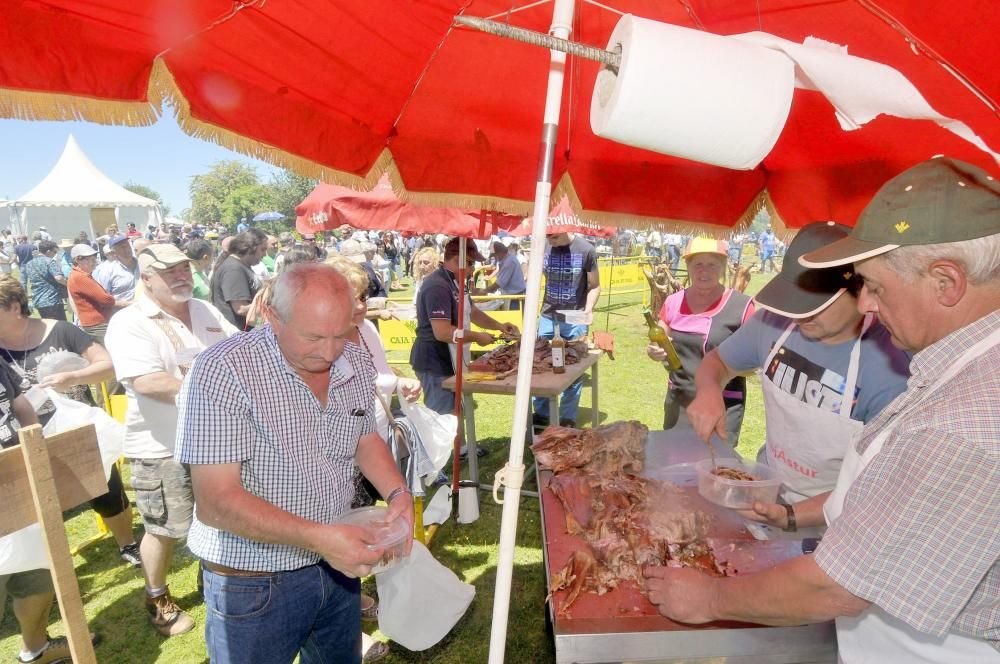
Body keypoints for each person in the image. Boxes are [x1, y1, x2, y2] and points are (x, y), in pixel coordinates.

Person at [647, 157, 1000, 662]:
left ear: (946, 282)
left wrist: (709, 598)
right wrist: (788, 515)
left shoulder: (961, 423)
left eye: (874, 287)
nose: (869, 306)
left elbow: (838, 588)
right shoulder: (956, 365)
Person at [176, 263, 414, 664]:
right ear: (272, 316)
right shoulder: (222, 370)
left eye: (340, 334)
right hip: (254, 580)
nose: (329, 351)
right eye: (313, 336)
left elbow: (364, 436)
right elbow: (216, 502)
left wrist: (398, 493)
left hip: (337, 564)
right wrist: (322, 539)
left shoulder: (353, 358)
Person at [687, 222, 910, 502]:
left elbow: (877, 487)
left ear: (861, 292)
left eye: (813, 305)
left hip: (833, 516)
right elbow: (718, 360)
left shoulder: (891, 369)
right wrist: (709, 390)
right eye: (794, 300)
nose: (798, 315)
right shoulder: (773, 323)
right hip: (767, 489)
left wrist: (791, 518)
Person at [105, 244, 239, 637]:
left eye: (184, 267)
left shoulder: (203, 309)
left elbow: (235, 349)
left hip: (217, 439)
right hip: (163, 445)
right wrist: (210, 390)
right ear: (146, 279)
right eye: (169, 271)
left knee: (220, 515)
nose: (181, 275)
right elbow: (147, 381)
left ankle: (212, 576)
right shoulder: (129, 321)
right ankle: (156, 594)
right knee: (164, 527)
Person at [0, 276, 142, 566]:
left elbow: (107, 364)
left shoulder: (60, 331)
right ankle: (45, 565)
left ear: (14, 306)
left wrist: (73, 377)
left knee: (104, 489)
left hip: (76, 429)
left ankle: (127, 543)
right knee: (35, 506)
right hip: (23, 438)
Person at [647, 237, 754, 445]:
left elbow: (754, 364)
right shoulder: (673, 302)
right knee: (674, 463)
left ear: (723, 267)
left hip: (722, 405)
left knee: (714, 468)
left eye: (712, 264)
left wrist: (723, 370)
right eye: (698, 264)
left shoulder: (742, 307)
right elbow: (660, 338)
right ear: (687, 266)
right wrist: (653, 351)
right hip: (679, 401)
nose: (704, 271)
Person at [411, 237, 519, 415]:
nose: (473, 269)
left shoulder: (457, 282)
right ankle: (453, 444)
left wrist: (499, 326)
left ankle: (462, 444)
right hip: (435, 362)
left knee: (458, 410)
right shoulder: (437, 286)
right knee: (444, 418)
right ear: (457, 260)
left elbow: (472, 312)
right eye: (471, 264)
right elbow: (443, 332)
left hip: (453, 358)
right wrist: (477, 337)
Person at [532, 231, 600, 429]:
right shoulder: (543, 245)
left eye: (554, 237)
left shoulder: (586, 249)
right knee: (540, 365)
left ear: (566, 229)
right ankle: (542, 413)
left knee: (574, 369)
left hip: (575, 317)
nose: (549, 240)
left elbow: (595, 285)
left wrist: (588, 310)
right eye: (547, 236)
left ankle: (568, 417)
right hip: (547, 316)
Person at [66, 244, 129, 347]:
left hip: (94, 323)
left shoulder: (77, 275)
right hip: (97, 324)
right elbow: (106, 300)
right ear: (78, 260)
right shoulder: (80, 277)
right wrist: (130, 303)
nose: (94, 262)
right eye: (90, 259)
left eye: (94, 258)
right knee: (111, 351)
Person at [210, 228, 267, 329]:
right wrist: (270, 310)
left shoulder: (242, 266)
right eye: (262, 249)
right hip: (240, 336)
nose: (264, 254)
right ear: (250, 248)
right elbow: (241, 309)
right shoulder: (233, 269)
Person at [23, 240, 67, 321]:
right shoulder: (49, 261)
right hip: (52, 299)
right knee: (60, 327)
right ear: (48, 251)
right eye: (54, 252)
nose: (55, 254)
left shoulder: (29, 264)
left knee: (48, 326)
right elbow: (59, 278)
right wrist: (67, 283)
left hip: (38, 300)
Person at [93, 234, 139, 302]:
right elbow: (103, 299)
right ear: (114, 252)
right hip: (124, 310)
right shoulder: (108, 272)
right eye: (121, 247)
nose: (126, 248)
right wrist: (129, 304)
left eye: (127, 245)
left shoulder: (142, 264)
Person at [485, 241, 527, 310]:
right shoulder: (507, 259)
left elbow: (499, 283)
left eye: (495, 255)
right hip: (512, 295)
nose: (495, 258)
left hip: (516, 297)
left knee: (513, 319)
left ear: (500, 253)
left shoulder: (509, 262)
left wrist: (485, 291)